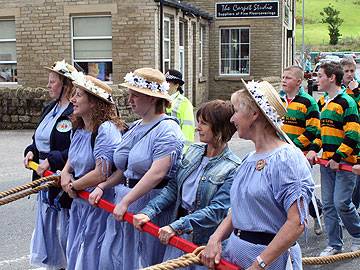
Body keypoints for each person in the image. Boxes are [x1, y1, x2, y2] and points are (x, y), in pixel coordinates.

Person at [200, 80, 314, 270]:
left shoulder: (287, 159)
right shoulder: (249, 159)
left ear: (254, 114)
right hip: (238, 257)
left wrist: (259, 264)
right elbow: (238, 209)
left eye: (236, 111)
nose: (232, 119)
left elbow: (296, 223)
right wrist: (216, 237)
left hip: (269, 263)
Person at [88, 67, 184, 269]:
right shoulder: (136, 126)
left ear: (152, 98)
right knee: (117, 257)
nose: (129, 100)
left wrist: (127, 200)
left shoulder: (168, 129)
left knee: (145, 259)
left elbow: (157, 173)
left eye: (135, 96)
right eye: (130, 95)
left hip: (149, 202)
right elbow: (125, 169)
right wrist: (103, 186)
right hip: (124, 199)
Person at [133, 99, 241, 269]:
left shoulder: (233, 167)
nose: (198, 127)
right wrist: (149, 211)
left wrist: (177, 226)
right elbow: (173, 188)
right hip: (178, 234)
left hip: (203, 243)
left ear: (220, 128)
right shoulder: (193, 150)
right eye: (199, 122)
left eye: (204, 123)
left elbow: (217, 211)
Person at [60, 74, 125, 270]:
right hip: (80, 202)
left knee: (92, 256)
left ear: (94, 103)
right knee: (76, 251)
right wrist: (65, 173)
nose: (72, 99)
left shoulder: (106, 130)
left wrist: (73, 185)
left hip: (99, 205)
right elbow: (73, 157)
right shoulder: (80, 128)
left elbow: (101, 173)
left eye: (78, 95)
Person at [23, 60, 77, 269]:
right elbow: (39, 140)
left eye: (52, 82)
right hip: (43, 179)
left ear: (65, 85)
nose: (48, 86)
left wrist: (52, 159)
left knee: (63, 231)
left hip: (62, 179)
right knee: (47, 229)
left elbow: (76, 149)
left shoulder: (75, 112)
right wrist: (30, 151)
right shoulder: (49, 108)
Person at [307, 62, 360, 256]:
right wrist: (314, 150)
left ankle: (357, 234)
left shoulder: (347, 102)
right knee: (328, 205)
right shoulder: (324, 103)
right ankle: (335, 245)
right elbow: (322, 133)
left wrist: (338, 158)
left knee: (341, 203)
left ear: (331, 78)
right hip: (327, 163)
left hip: (345, 163)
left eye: (319, 75)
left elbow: (353, 134)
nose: (316, 79)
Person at [280, 65, 323, 235]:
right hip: (281, 153)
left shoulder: (308, 102)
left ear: (299, 82)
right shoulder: (279, 100)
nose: (284, 80)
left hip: (299, 153)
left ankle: (316, 212)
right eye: (283, 77)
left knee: (302, 188)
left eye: (288, 78)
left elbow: (313, 129)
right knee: (284, 188)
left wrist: (293, 145)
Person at [340, 58, 360, 210]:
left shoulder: (357, 88)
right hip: (343, 137)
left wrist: (356, 91)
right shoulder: (339, 90)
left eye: (352, 71)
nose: (349, 74)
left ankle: (354, 207)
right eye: (346, 71)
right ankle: (349, 207)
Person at [165, 69, 195, 150]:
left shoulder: (185, 103)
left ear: (177, 85)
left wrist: (183, 153)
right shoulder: (159, 99)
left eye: (168, 82)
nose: (165, 84)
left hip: (175, 149)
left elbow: (188, 131)